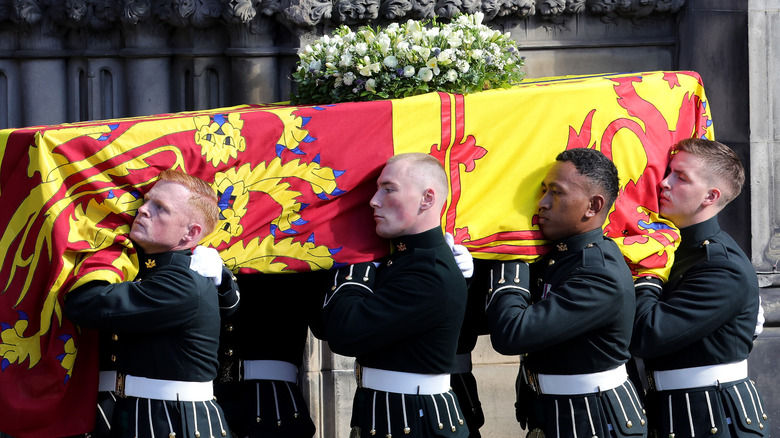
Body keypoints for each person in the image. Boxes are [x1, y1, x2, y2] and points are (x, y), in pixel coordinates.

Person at [486, 148, 647, 438]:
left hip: (594, 421)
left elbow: (511, 333)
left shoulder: (599, 273)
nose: (541, 203)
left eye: (556, 193)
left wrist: (508, 259)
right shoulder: (558, 257)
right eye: (543, 190)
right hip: (554, 414)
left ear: (592, 206)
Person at [64, 169, 238, 438]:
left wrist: (105, 256)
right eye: (146, 201)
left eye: (160, 208)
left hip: (173, 423)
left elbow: (84, 305)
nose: (142, 210)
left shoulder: (181, 284)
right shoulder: (153, 272)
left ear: (190, 233)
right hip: (142, 415)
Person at [320, 152, 470, 438]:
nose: (374, 200)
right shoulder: (401, 261)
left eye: (389, 189)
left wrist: (354, 264)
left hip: (414, 421)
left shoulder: (429, 273)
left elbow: (344, 333)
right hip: (386, 414)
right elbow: (323, 325)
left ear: (427, 199)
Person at [630, 138, 769, 437]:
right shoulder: (675, 247)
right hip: (667, 411)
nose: (663, 183)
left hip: (712, 418)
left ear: (710, 196)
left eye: (680, 177)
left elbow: (647, 335)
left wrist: (648, 274)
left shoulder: (722, 266)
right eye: (668, 172)